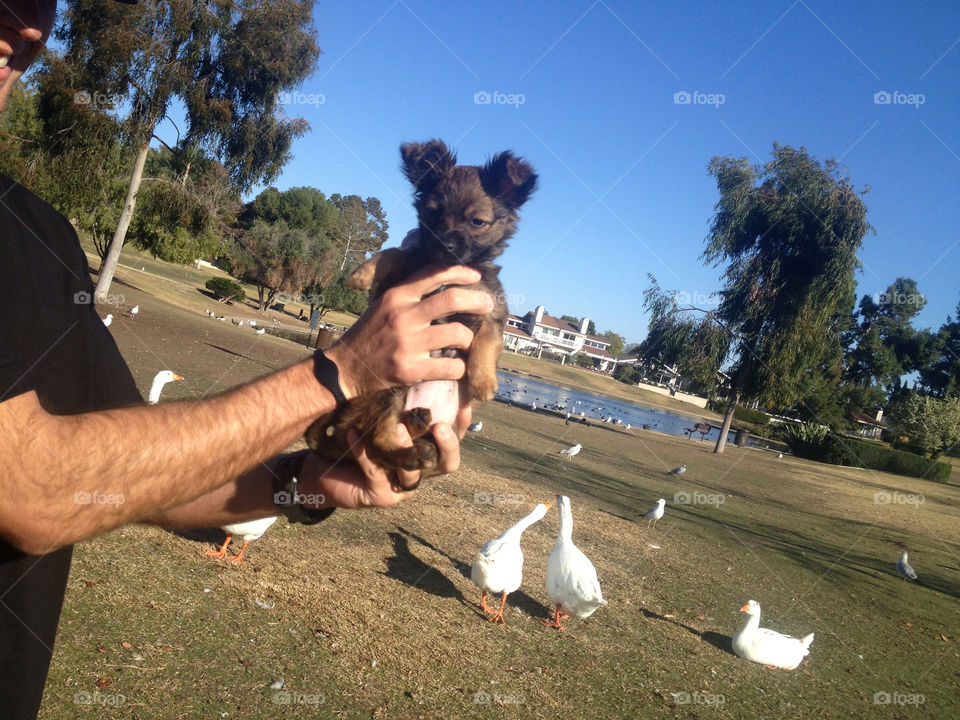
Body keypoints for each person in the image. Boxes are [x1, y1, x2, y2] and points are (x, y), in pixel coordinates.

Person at [0, 2, 491, 718]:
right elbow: (31, 489)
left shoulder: (37, 233)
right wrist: (341, 372)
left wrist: (309, 483)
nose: (32, 23)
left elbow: (133, 476)